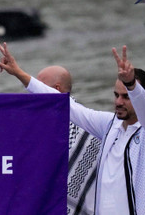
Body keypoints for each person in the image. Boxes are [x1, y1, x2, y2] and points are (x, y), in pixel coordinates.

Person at [0, 42, 145, 215]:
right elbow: (67, 105)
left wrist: (132, 85)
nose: (118, 102)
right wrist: (20, 74)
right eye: (116, 95)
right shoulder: (110, 125)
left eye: (126, 97)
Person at [36, 65, 100, 215]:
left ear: (56, 90)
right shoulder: (40, 126)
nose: (33, 96)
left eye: (38, 89)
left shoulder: (89, 126)